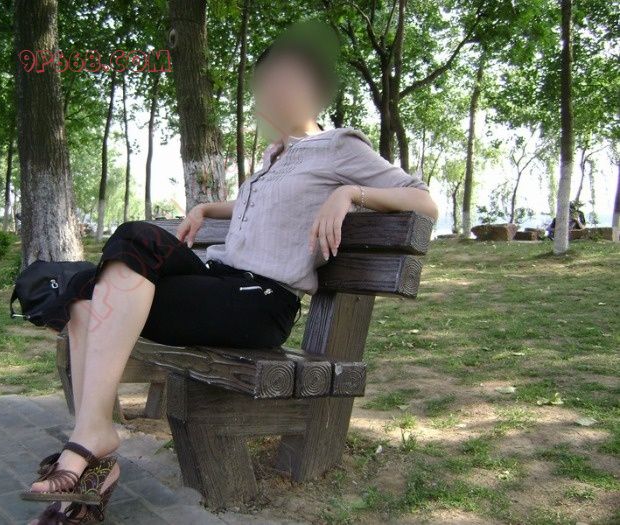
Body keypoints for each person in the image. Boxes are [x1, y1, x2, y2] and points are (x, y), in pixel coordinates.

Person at [24, 19, 439, 524]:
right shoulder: (274, 157)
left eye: (288, 78)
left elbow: (424, 201)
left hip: (260, 301)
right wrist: (209, 209)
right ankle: (93, 442)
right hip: (220, 278)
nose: (273, 91)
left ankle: (88, 448)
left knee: (103, 283)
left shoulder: (339, 146)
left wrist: (350, 193)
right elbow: (260, 209)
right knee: (98, 278)